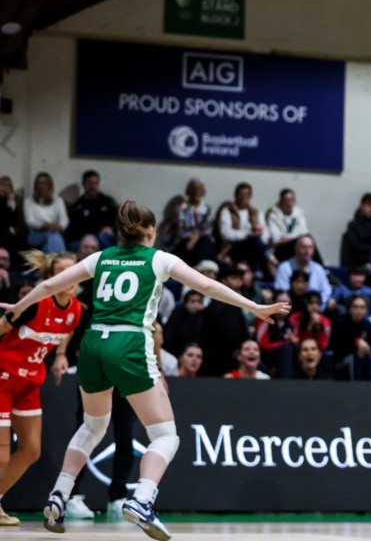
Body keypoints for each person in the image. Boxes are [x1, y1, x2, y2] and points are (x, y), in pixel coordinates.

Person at [0, 201, 288, 539]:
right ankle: (142, 498)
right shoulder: (160, 259)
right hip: (129, 345)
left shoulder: (101, 257)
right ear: (151, 232)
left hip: (92, 345)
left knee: (93, 426)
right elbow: (207, 286)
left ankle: (59, 494)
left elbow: (48, 286)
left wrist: (18, 308)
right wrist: (254, 306)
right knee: (165, 435)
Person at [0, 250, 81, 525]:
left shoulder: (76, 310)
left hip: (29, 382)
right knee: (0, 453)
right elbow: (2, 326)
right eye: (61, 272)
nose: (69, 277)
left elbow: (67, 328)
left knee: (31, 450)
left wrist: (60, 354)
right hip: (3, 377)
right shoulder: (35, 303)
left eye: (73, 271)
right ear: (50, 277)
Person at [216, 182, 276, 278]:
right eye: (241, 195)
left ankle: (258, 272)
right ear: (236, 196)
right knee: (253, 240)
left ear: (251, 196)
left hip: (253, 246)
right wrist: (247, 235)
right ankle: (268, 256)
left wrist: (254, 236)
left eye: (247, 195)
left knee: (254, 241)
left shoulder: (256, 212)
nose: (244, 197)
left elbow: (265, 234)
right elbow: (226, 234)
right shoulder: (227, 211)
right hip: (233, 247)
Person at [273, 235, 333, 309]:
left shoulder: (318, 269)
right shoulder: (284, 267)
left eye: (310, 247)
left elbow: (326, 291)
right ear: (296, 248)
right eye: (303, 247)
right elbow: (281, 292)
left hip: (315, 309)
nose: (307, 251)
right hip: (290, 308)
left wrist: (318, 306)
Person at [65, 170, 118, 250]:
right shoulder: (77, 206)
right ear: (84, 185)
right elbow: (73, 230)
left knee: (104, 237)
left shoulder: (107, 202)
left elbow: (120, 218)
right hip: (85, 238)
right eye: (90, 183)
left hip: (106, 236)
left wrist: (111, 228)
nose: (93, 186)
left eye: (95, 183)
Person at [171, 178, 214, 265]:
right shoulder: (182, 208)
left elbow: (208, 227)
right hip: (185, 239)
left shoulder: (206, 208)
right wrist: (191, 236)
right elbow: (180, 230)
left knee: (206, 241)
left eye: (199, 189)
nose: (196, 192)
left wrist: (195, 238)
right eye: (194, 189)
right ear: (188, 191)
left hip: (200, 238)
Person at [24, 172, 68, 254]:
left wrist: (59, 226)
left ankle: (50, 263)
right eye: (40, 183)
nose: (42, 186)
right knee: (52, 236)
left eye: (45, 183)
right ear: (36, 185)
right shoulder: (29, 201)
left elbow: (64, 219)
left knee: (52, 237)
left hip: (54, 231)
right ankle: (61, 262)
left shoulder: (58, 200)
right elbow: (29, 221)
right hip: (35, 234)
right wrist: (45, 225)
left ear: (50, 185)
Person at [255, 290, 295, 379]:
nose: (285, 306)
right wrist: (284, 342)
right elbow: (263, 345)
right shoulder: (264, 318)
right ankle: (284, 384)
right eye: (281, 302)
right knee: (286, 349)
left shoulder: (292, 321)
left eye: (288, 303)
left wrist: (295, 340)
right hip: (265, 355)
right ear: (273, 303)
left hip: (284, 354)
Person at [266, 188, 312, 263]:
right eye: (286, 200)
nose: (289, 203)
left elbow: (304, 233)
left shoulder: (299, 213)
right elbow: (276, 237)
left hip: (297, 246)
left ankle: (323, 270)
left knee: (310, 241)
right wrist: (293, 239)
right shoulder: (274, 215)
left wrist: (290, 239)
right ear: (281, 202)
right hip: (281, 248)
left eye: (292, 200)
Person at [344, 192, 371, 272]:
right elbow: (355, 245)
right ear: (362, 206)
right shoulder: (354, 224)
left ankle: (370, 265)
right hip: (361, 255)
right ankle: (370, 265)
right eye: (368, 205)